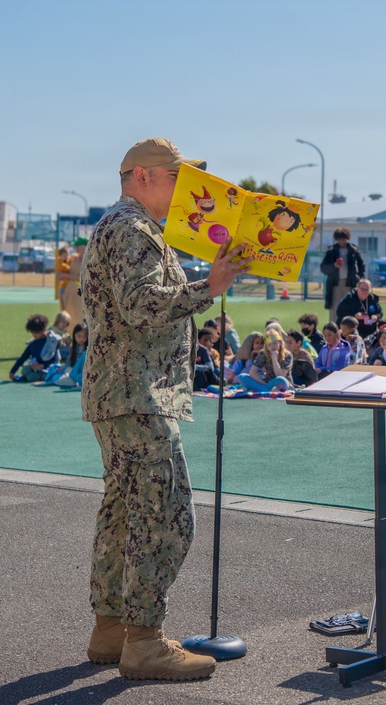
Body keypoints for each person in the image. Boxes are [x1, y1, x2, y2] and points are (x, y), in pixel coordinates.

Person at [79, 137, 247, 680]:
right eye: (178, 178)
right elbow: (141, 304)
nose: (187, 189)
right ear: (143, 176)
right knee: (166, 517)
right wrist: (211, 286)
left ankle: (112, 628)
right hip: (136, 395)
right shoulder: (131, 228)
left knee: (125, 513)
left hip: (122, 393)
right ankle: (144, 642)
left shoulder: (130, 226)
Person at [321, 228, 366, 324]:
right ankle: (333, 329)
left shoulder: (353, 250)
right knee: (335, 310)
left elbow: (361, 265)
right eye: (339, 239)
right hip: (335, 285)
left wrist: (360, 278)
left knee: (349, 309)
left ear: (347, 238)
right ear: (336, 239)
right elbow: (323, 268)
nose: (342, 241)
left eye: (344, 239)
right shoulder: (331, 251)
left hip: (350, 284)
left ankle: (348, 329)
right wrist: (334, 266)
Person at [9, 313, 61, 382]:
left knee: (31, 377)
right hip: (35, 369)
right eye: (32, 333)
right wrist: (13, 371)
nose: (33, 335)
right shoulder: (33, 343)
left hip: (49, 369)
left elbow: (54, 359)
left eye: (36, 333)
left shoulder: (52, 341)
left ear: (43, 329)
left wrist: (41, 366)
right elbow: (22, 358)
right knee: (25, 370)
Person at [239, 328, 292, 393]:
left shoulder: (288, 355)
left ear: (280, 342)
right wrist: (264, 384)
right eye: (269, 344)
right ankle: (266, 389)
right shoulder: (263, 353)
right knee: (242, 376)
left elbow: (280, 375)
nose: (272, 346)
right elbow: (252, 372)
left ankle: (261, 389)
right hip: (267, 382)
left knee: (281, 380)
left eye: (274, 343)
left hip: (281, 383)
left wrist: (274, 359)